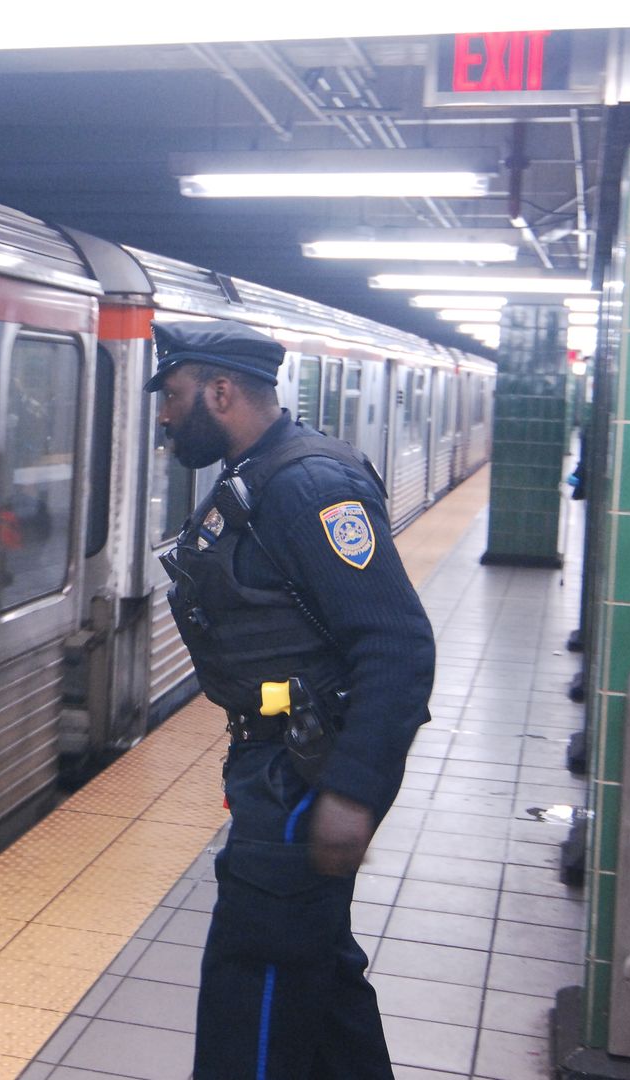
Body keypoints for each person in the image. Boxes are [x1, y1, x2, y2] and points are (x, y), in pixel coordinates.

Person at [148, 319, 436, 1080]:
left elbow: (397, 645)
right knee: (323, 980)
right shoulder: (260, 473)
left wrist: (353, 793)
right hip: (275, 762)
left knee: (256, 992)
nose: (166, 414)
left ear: (220, 390)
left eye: (174, 395)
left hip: (302, 774)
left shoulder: (307, 486)